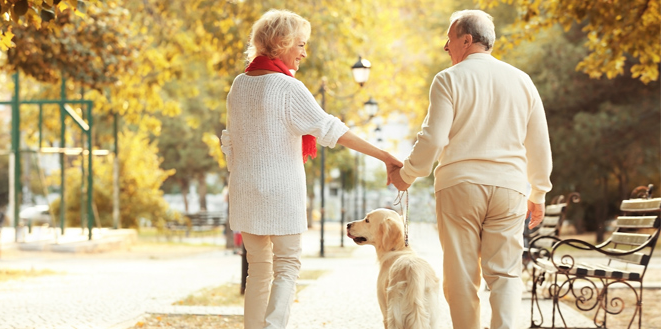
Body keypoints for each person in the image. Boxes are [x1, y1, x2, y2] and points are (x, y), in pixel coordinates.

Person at [220, 9, 402, 329]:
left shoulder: (239, 85)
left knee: (258, 269)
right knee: (287, 266)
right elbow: (332, 130)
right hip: (281, 191)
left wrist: (242, 177)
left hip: (245, 188)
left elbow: (231, 144)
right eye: (300, 45)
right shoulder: (289, 87)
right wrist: (384, 154)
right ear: (282, 43)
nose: (304, 52)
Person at [388, 9, 553, 329]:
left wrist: (406, 175)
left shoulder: (448, 79)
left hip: (459, 186)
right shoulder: (522, 80)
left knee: (461, 273)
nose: (446, 48)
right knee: (505, 273)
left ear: (466, 40)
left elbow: (433, 139)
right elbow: (539, 143)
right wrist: (539, 192)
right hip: (509, 187)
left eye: (449, 40)